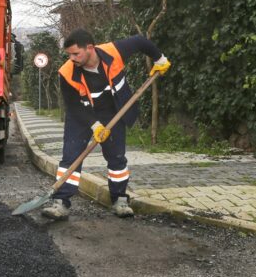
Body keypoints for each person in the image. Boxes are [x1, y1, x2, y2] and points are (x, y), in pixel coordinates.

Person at [42, 28, 171, 220]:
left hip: (113, 113)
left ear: (90, 48)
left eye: (76, 53)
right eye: (69, 54)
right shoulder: (66, 73)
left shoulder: (113, 51)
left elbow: (139, 41)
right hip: (82, 116)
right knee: (70, 157)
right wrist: (95, 126)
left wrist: (159, 59)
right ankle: (61, 203)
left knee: (117, 158)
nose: (72, 58)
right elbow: (73, 106)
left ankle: (120, 199)